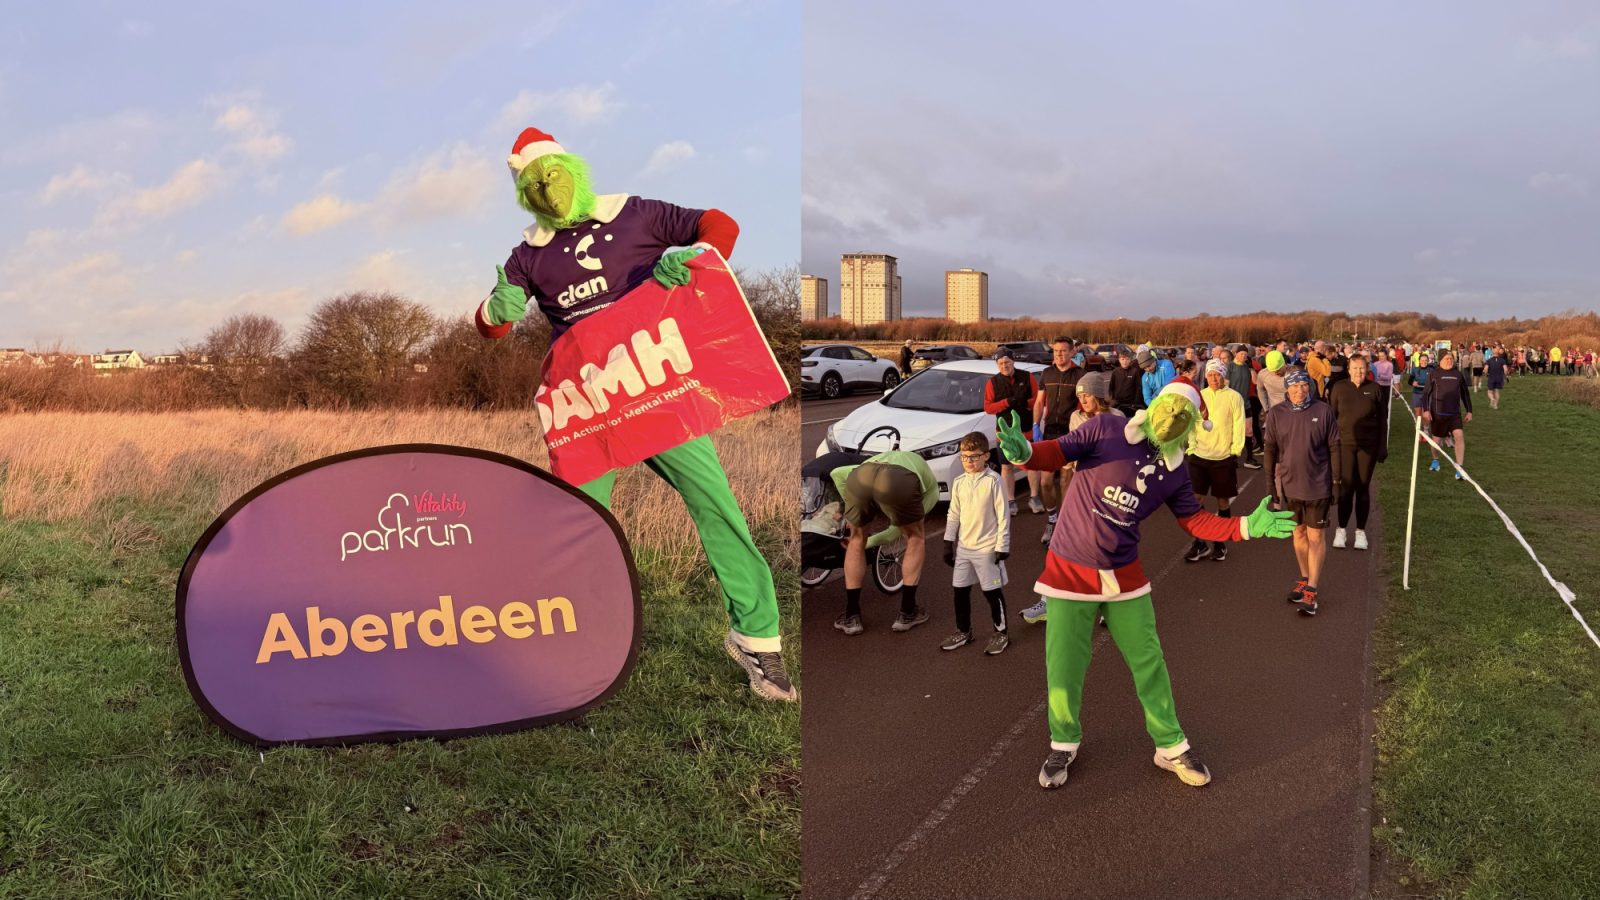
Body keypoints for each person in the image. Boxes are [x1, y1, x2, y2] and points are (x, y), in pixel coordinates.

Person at [476, 125, 793, 700]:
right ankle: (570, 641)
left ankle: (758, 641)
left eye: (553, 175)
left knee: (716, 507)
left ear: (573, 169)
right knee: (574, 525)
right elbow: (493, 325)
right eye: (533, 184)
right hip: (588, 408)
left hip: (657, 393)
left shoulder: (634, 214)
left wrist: (696, 254)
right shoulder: (527, 253)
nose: (548, 189)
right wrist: (494, 307)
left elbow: (718, 222)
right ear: (522, 191)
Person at [995, 383, 1297, 790]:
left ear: (1192, 427)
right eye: (1169, 406)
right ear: (1154, 404)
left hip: (1124, 576)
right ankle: (1063, 741)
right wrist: (1025, 452)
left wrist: (1245, 526)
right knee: (1064, 664)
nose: (1173, 417)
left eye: (1183, 415)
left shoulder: (1175, 473)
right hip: (1069, 570)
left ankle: (1169, 745)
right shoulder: (1104, 429)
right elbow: (1059, 451)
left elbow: (1195, 521)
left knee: (1149, 662)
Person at [1020, 371, 1126, 623]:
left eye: (1087, 395)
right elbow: (1070, 451)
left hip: (1109, 494)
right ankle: (1048, 601)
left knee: (1105, 551)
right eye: (1080, 396)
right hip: (1082, 489)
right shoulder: (1076, 417)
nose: (1083, 400)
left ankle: (1108, 606)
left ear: (1099, 395)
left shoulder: (1119, 418)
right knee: (1061, 546)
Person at [831, 449, 938, 634]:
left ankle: (851, 616)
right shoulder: (930, 488)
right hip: (897, 481)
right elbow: (894, 533)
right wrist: (875, 540)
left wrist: (850, 509)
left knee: (856, 540)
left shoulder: (877, 459)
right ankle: (907, 612)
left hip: (861, 476)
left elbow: (836, 473)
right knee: (915, 537)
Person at [1262, 370, 1340, 616]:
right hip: (1290, 485)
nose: (1299, 391)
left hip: (1318, 485)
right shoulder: (1276, 414)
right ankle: (1305, 578)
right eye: (1294, 387)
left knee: (1316, 537)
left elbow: (1335, 448)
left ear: (1310, 387)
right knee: (1298, 533)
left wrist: (1336, 482)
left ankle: (1312, 591)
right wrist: (1270, 487)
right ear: (1287, 389)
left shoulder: (1323, 411)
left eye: (1304, 386)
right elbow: (1270, 452)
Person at [941, 433, 1012, 655]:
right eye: (964, 457)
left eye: (974, 457)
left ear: (986, 456)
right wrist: (948, 542)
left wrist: (1003, 546)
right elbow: (953, 514)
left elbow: (1003, 515)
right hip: (964, 548)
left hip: (987, 548)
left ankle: (1001, 633)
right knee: (959, 591)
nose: (969, 462)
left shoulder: (994, 481)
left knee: (992, 592)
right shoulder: (960, 482)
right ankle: (964, 631)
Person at [1185, 359, 1246, 563]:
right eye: (1210, 374)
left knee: (1222, 502)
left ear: (1223, 376)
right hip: (1199, 457)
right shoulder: (1199, 396)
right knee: (1196, 501)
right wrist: (1192, 448)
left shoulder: (1234, 397)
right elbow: (1193, 424)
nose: (1213, 378)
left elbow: (1238, 424)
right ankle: (1199, 542)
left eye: (1217, 374)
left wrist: (1235, 450)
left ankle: (1220, 544)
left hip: (1223, 458)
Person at [1326, 355, 1387, 551]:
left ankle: (1360, 532)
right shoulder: (1339, 388)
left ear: (1367, 369)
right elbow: (1331, 419)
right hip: (1345, 445)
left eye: (1362, 368)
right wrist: (1329, 446)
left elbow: (1382, 421)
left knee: (1362, 488)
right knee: (1346, 488)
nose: (1358, 372)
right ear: (1349, 369)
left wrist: (1382, 447)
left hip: (1367, 447)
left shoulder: (1375, 389)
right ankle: (1341, 530)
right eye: (1355, 368)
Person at [1034, 337, 1084, 526]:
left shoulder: (1080, 374)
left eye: (1063, 351)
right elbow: (1039, 402)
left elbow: (1084, 405)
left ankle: (1064, 522)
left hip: (1070, 433)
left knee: (1065, 481)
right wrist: (1036, 425)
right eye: (1055, 351)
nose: (1059, 354)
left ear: (1072, 352)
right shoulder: (1047, 373)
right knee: (1045, 482)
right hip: (1049, 433)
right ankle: (1052, 518)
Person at [986, 351, 1041, 516]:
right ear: (997, 365)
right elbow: (988, 408)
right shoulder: (992, 382)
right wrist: (1006, 403)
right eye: (1001, 363)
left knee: (1031, 465)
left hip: (1027, 431)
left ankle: (1034, 497)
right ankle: (1010, 500)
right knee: (1006, 467)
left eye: (1007, 362)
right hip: (1004, 434)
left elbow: (1038, 400)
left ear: (1013, 361)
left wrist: (1025, 403)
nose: (1005, 366)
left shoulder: (1027, 377)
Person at [1421, 350, 1472, 479]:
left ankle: (1460, 468)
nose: (1449, 361)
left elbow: (1465, 394)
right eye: (1447, 359)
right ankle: (1435, 460)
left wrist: (1469, 411)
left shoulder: (1458, 375)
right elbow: (1426, 393)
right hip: (1438, 413)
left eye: (1451, 358)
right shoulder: (1434, 373)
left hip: (1454, 414)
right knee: (1437, 441)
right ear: (1441, 360)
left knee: (1459, 436)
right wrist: (1426, 410)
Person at [1231, 348, 1263, 467]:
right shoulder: (1230, 366)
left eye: (1245, 354)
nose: (1243, 356)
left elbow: (1255, 381)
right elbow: (1226, 383)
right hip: (1234, 404)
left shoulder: (1247, 367)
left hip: (1246, 403)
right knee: (1234, 431)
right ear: (1236, 354)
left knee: (1248, 430)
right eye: (1241, 354)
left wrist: (1251, 368)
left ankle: (1249, 458)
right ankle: (1233, 458)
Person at [1109, 347, 1143, 418]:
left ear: (1130, 360)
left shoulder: (1134, 371)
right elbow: (1111, 387)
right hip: (1118, 403)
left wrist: (1136, 402)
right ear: (1119, 360)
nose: (1125, 361)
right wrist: (1112, 399)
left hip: (1131, 404)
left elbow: (1138, 387)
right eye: (1123, 359)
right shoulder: (1115, 372)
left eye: (1127, 359)